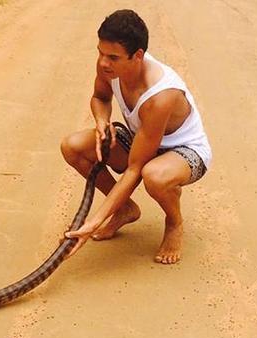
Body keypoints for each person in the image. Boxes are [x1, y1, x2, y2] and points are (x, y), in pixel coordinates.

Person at [61, 9, 212, 264]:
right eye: (100, 52)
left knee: (153, 175)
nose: (103, 62)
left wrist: (95, 220)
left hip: (184, 152)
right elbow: (100, 98)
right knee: (73, 147)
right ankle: (124, 209)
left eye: (112, 57)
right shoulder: (110, 68)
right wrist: (102, 121)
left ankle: (175, 223)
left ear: (138, 56)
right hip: (141, 138)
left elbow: (135, 169)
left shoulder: (160, 95)